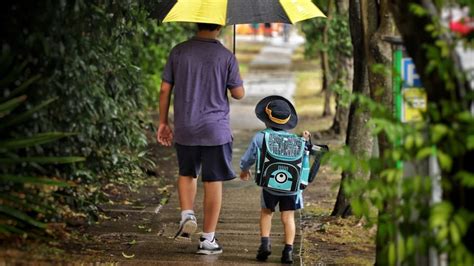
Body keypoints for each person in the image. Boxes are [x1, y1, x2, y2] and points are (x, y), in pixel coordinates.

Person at [157, 22, 245, 255]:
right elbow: (238, 94)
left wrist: (163, 122)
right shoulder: (226, 56)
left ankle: (187, 214)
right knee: (213, 180)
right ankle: (207, 240)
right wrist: (235, 76)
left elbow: (165, 89)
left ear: (197, 22)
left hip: (186, 127)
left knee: (187, 173)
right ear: (220, 25)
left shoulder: (179, 51)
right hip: (215, 130)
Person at [239, 95, 310, 264]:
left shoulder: (260, 137)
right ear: (288, 122)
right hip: (292, 187)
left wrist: (244, 169)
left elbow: (248, 157)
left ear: (265, 120)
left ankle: (264, 245)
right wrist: (305, 140)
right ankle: (288, 251)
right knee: (288, 218)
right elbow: (305, 161)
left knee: (266, 213)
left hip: (269, 185)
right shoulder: (297, 140)